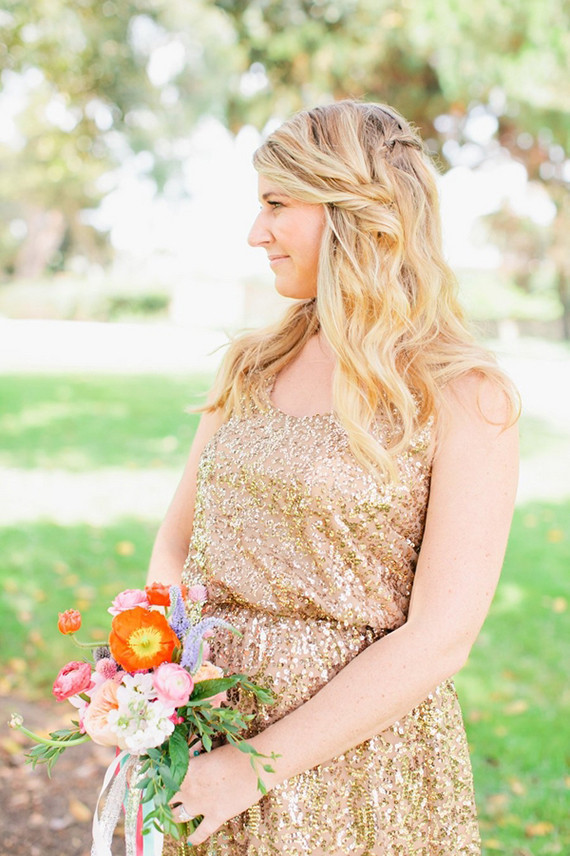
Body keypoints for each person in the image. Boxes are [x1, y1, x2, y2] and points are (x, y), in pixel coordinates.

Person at [148, 100, 519, 856]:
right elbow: (174, 545)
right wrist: (159, 684)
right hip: (209, 736)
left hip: (357, 765)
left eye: (278, 205)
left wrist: (249, 771)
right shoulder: (250, 367)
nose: (257, 233)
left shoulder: (463, 394)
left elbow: (442, 638)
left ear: (355, 213)